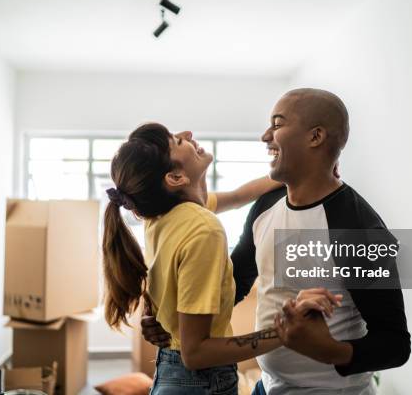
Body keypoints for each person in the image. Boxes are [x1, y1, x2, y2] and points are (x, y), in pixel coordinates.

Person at [144, 89, 411, 395]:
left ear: (315, 137)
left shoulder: (358, 229)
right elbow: (234, 282)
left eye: (277, 124)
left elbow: (395, 344)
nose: (264, 136)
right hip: (268, 387)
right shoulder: (266, 205)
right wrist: (169, 317)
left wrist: (332, 351)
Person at [102, 122, 341, 395]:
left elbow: (241, 195)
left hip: (173, 371)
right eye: (177, 142)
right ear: (176, 178)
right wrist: (285, 331)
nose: (188, 134)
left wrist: (306, 172)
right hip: (200, 382)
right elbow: (196, 353)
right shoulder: (203, 228)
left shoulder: (162, 214)